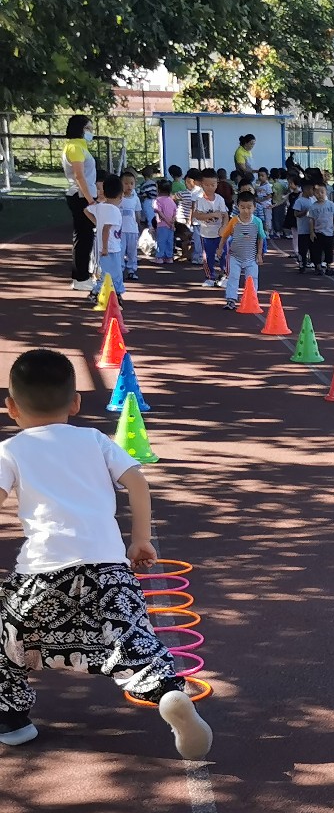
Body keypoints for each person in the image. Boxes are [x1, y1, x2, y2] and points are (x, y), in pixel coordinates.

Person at [0, 349, 212, 759]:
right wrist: (140, 540)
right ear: (76, 403)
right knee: (134, 642)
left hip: (40, 576)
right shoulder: (95, 440)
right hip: (108, 572)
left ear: (11, 407)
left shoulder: (9, 451)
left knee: (5, 643)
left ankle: (12, 721)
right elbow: (138, 483)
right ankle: (167, 694)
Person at [62, 114, 98, 291]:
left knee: (85, 236)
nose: (91, 131)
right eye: (88, 128)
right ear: (80, 129)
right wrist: (90, 200)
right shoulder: (75, 147)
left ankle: (81, 276)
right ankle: (80, 278)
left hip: (83, 195)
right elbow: (79, 175)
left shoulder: (79, 146)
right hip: (81, 196)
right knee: (84, 237)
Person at [219, 192, 266, 310]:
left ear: (254, 207)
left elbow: (261, 238)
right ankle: (231, 299)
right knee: (233, 277)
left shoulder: (257, 222)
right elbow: (225, 235)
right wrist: (220, 248)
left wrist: (259, 254)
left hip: (251, 257)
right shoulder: (234, 221)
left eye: (249, 207)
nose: (246, 211)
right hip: (235, 256)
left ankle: (251, 299)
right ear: (238, 207)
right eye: (243, 207)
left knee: (252, 278)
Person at [89, 174, 126, 304]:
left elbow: (87, 210)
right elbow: (106, 229)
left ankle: (99, 291)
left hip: (107, 247)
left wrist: (97, 222)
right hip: (111, 248)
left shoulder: (100, 206)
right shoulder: (114, 210)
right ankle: (115, 292)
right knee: (115, 272)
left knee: (106, 272)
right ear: (121, 195)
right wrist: (105, 247)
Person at [192, 169, 229, 287]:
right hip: (206, 234)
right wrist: (212, 215)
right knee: (208, 257)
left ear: (217, 184)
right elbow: (197, 215)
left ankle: (225, 276)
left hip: (220, 234)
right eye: (207, 185)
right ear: (201, 184)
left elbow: (225, 215)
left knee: (224, 255)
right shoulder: (200, 200)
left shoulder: (220, 199)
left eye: (213, 185)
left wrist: (224, 227)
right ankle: (210, 277)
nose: (210, 188)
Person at [305, 182, 334, 276]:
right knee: (317, 250)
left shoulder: (330, 204)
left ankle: (329, 266)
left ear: (326, 192)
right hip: (318, 232)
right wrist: (312, 232)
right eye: (317, 193)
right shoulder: (313, 206)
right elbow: (311, 220)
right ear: (314, 194)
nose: (320, 195)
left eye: (322, 192)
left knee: (329, 250)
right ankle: (318, 267)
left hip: (329, 232)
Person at [119, 171, 142, 282]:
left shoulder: (135, 199)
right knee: (121, 251)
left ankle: (131, 270)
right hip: (120, 230)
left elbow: (138, 213)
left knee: (132, 251)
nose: (129, 186)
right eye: (126, 183)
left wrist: (138, 225)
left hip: (132, 230)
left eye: (132, 183)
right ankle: (120, 270)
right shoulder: (118, 198)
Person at [292, 178, 317, 273]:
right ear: (306, 190)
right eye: (312, 189)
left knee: (313, 248)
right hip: (303, 230)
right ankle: (302, 264)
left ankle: (315, 263)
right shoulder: (299, 201)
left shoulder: (312, 200)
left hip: (312, 229)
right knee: (303, 249)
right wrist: (305, 212)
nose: (313, 192)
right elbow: (296, 214)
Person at [153, 180, 177, 264]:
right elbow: (175, 212)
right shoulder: (171, 200)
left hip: (162, 224)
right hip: (171, 225)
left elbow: (159, 212)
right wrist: (172, 222)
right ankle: (169, 257)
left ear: (158, 190)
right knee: (169, 241)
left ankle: (160, 257)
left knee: (161, 241)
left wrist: (167, 221)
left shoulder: (157, 200)